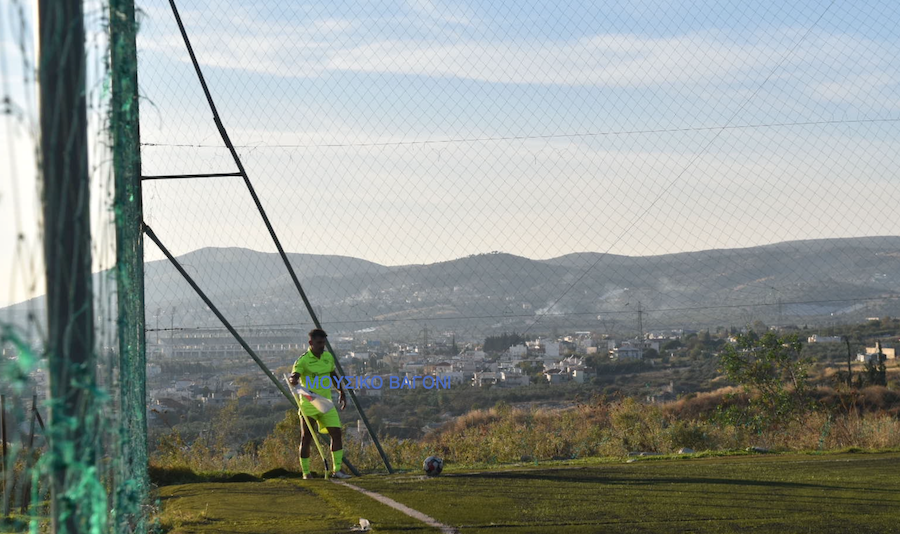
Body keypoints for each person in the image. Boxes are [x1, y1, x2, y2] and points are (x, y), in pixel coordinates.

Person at [289, 328, 350, 479]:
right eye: (319, 343)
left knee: (336, 433)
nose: (322, 345)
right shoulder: (303, 360)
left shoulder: (328, 357)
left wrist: (341, 391)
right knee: (306, 437)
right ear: (311, 343)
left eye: (323, 343)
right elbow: (294, 376)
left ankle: (337, 470)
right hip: (309, 403)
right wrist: (293, 380)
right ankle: (306, 472)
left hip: (325, 403)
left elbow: (332, 374)